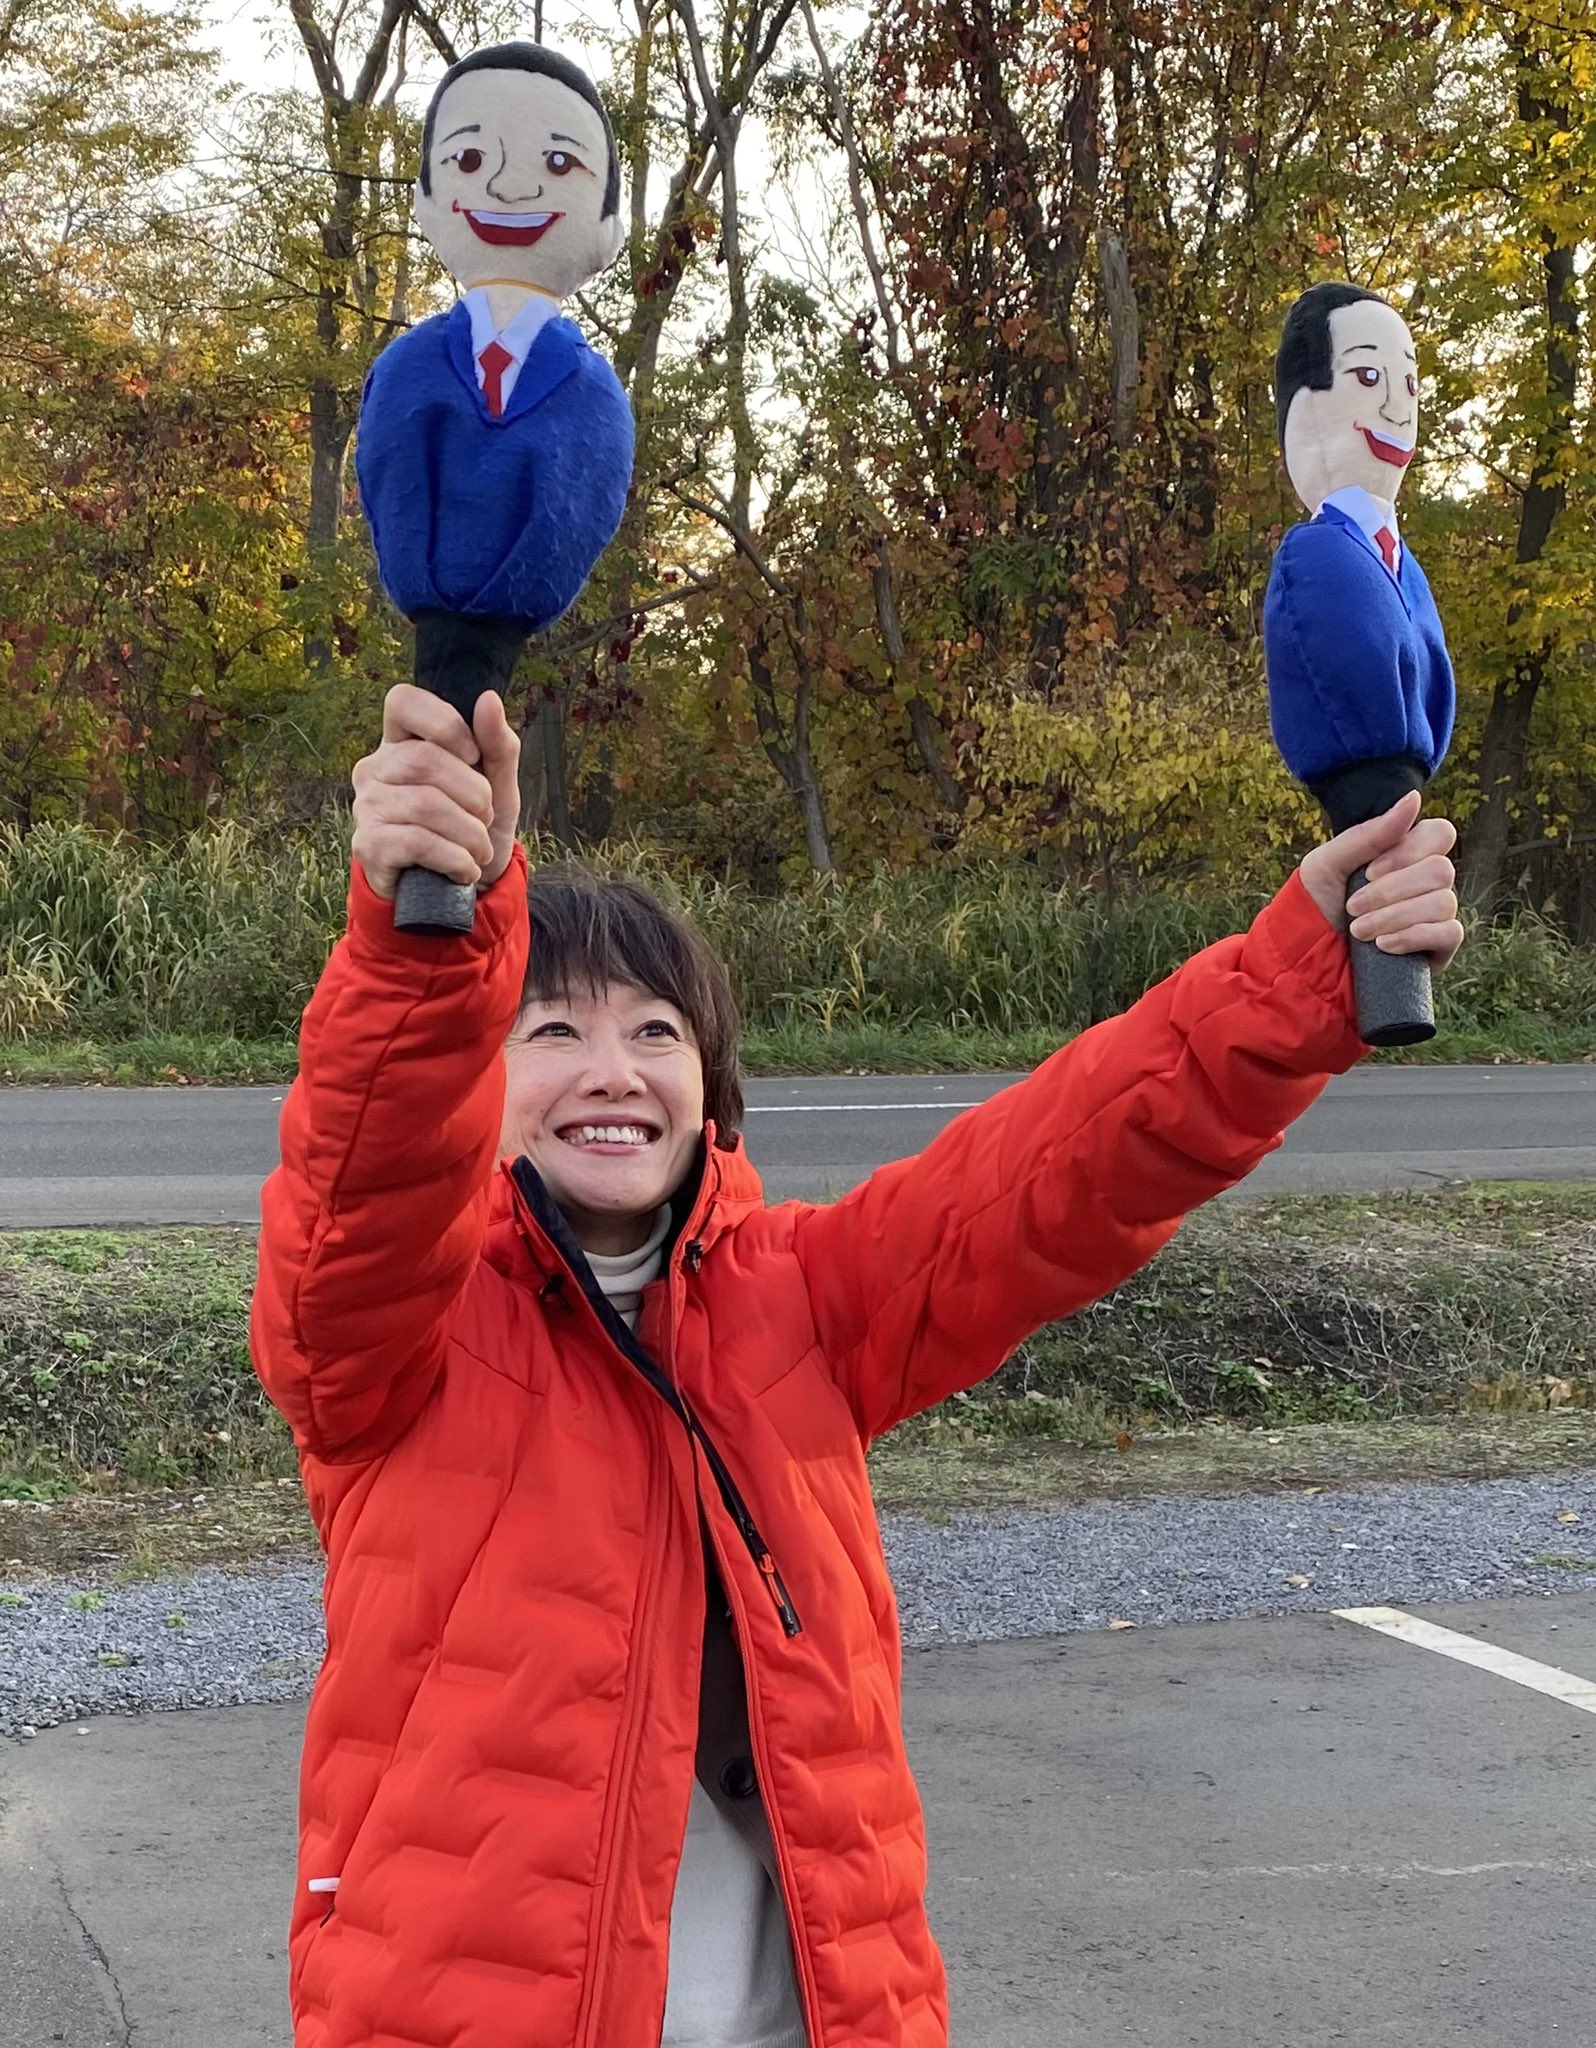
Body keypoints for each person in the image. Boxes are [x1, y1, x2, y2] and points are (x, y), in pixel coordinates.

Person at [250, 684, 1464, 2048]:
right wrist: (425, 950)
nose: (614, 1070)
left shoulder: (802, 1301)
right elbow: (362, 1187)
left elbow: (1066, 1165)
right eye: (554, 1032)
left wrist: (1304, 968)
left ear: (710, 1083)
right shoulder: (398, 1335)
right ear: (482, 1073)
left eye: (658, 1033)